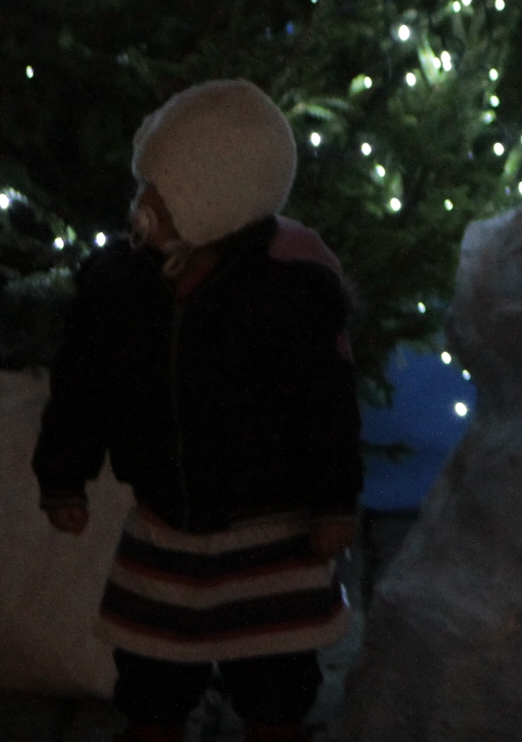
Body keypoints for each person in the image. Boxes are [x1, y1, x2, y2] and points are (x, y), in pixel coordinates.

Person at [33, 80, 363, 742]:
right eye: (145, 187)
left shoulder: (285, 298)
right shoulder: (118, 289)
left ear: (214, 202)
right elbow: (81, 388)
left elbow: (324, 408)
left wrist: (333, 501)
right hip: (164, 525)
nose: (142, 205)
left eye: (162, 194)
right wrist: (63, 473)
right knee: (152, 672)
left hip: (270, 533)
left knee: (275, 674)